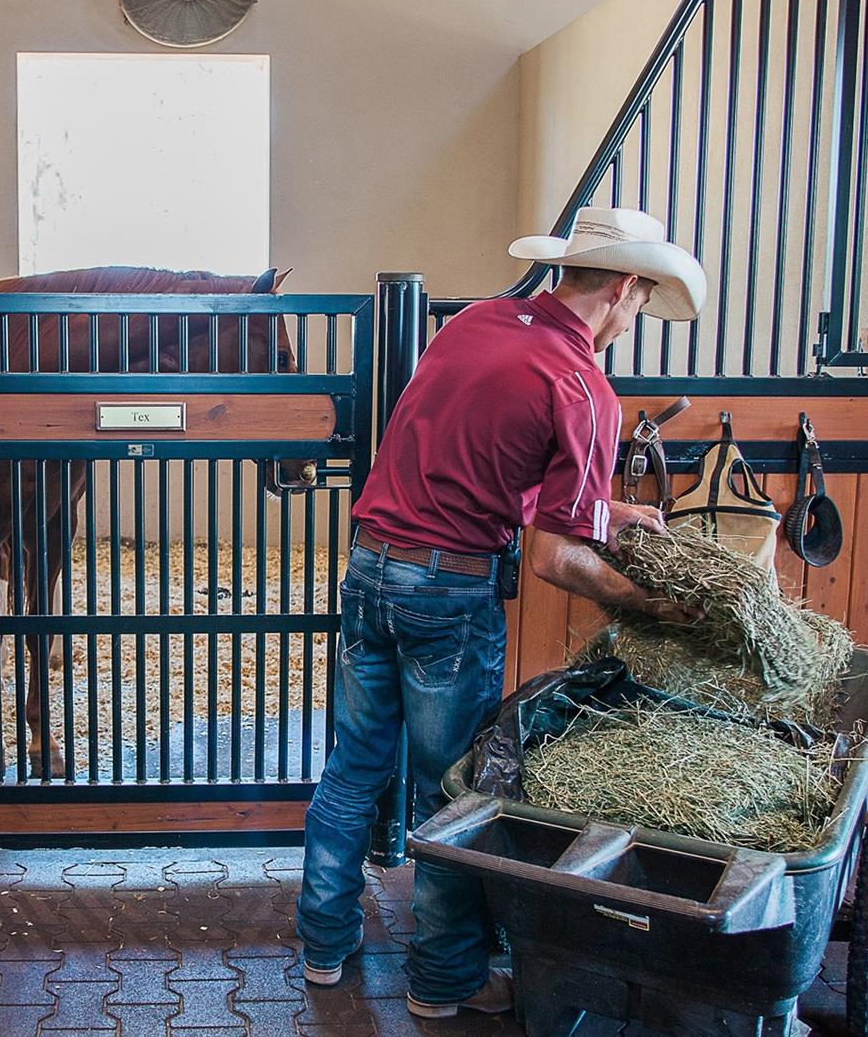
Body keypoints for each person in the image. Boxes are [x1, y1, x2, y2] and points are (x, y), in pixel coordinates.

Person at [295, 207, 709, 1018]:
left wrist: (609, 512)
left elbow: (485, 459)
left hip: (371, 564)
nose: (633, 321)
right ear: (622, 288)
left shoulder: (478, 322)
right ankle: (442, 981)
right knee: (452, 793)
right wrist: (651, 603)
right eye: (639, 305)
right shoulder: (584, 386)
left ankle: (321, 944)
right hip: (449, 594)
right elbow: (555, 558)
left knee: (352, 768)